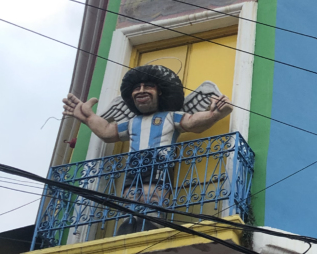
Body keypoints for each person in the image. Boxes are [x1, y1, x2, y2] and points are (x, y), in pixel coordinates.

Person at [62, 64, 232, 231]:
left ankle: (153, 223)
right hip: (133, 169)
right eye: (137, 87)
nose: (141, 90)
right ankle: (129, 225)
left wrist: (214, 114)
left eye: (148, 86)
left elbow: (193, 122)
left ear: (160, 91)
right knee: (130, 199)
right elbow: (107, 131)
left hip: (158, 167)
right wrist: (88, 117)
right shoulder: (131, 123)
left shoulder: (171, 116)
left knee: (152, 196)